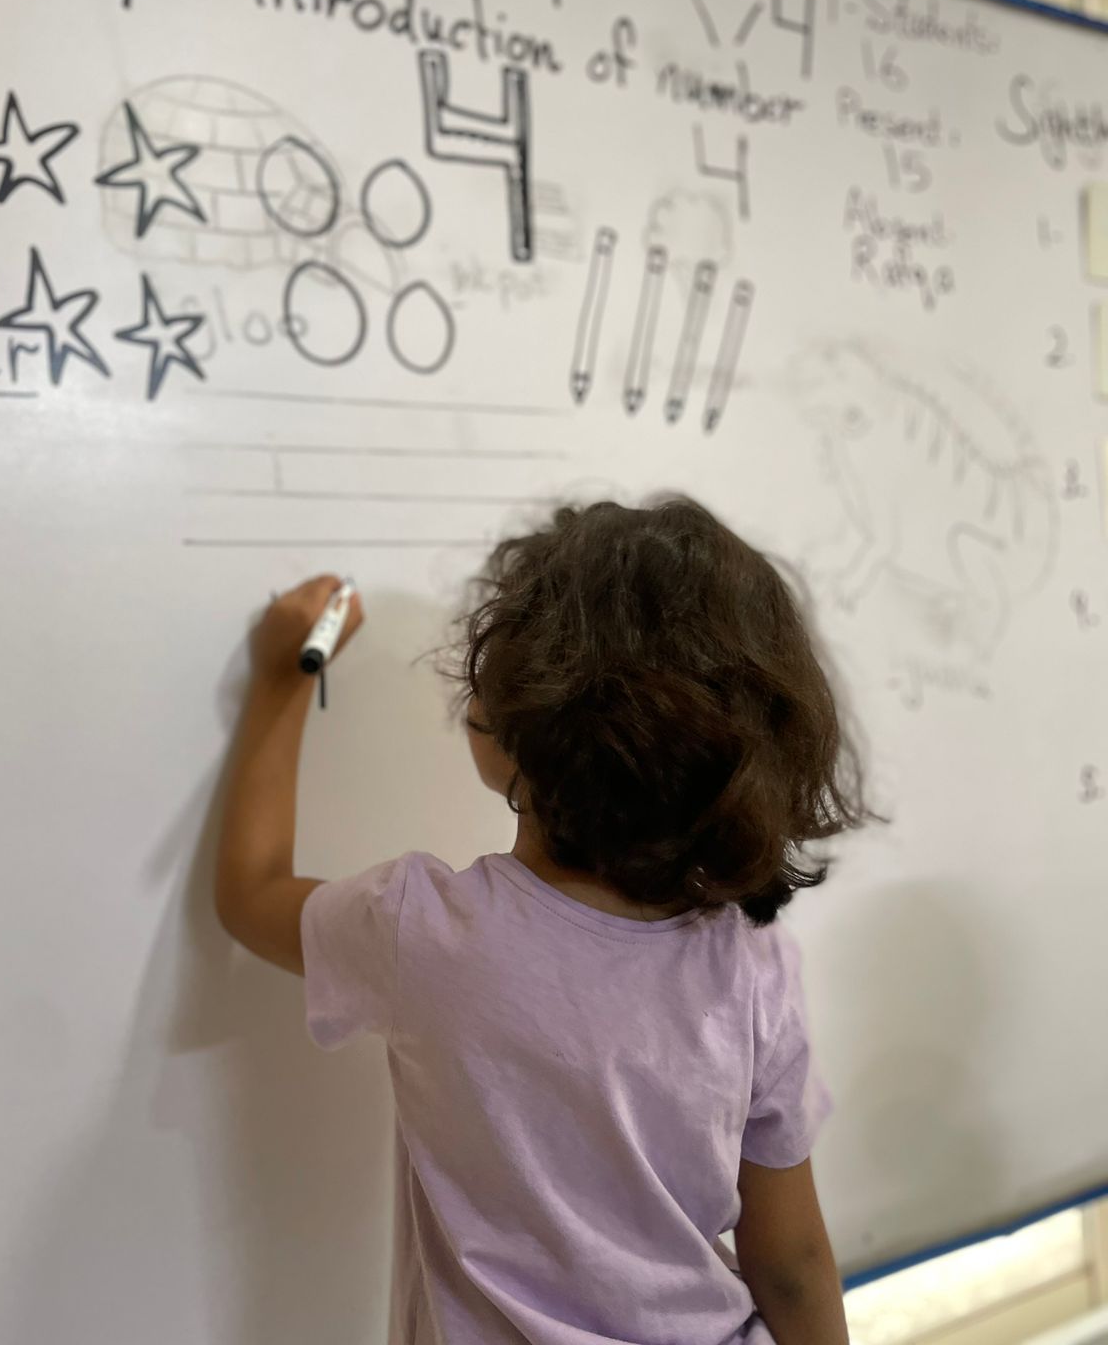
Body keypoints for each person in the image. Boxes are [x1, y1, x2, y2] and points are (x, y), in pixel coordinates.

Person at [215, 496, 870, 1344]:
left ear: (510, 725)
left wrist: (280, 679)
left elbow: (250, 891)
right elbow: (793, 1262)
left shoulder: (422, 931)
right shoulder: (754, 956)